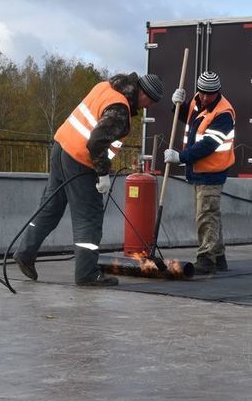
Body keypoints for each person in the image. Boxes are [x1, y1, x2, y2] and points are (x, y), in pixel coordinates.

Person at [15, 71, 165, 285]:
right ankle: (87, 274)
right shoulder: (120, 108)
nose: (146, 106)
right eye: (149, 101)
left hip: (61, 148)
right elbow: (96, 142)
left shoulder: (105, 87)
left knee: (50, 208)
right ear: (144, 94)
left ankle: (25, 253)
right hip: (80, 160)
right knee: (89, 217)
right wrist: (103, 173)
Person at [164, 71, 235, 275]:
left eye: (209, 94)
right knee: (210, 214)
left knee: (206, 214)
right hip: (199, 171)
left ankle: (206, 259)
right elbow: (189, 118)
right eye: (202, 92)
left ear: (218, 92)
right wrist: (177, 104)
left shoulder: (223, 113)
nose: (204, 97)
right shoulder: (197, 102)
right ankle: (218, 257)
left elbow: (208, 144)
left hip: (212, 171)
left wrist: (181, 157)